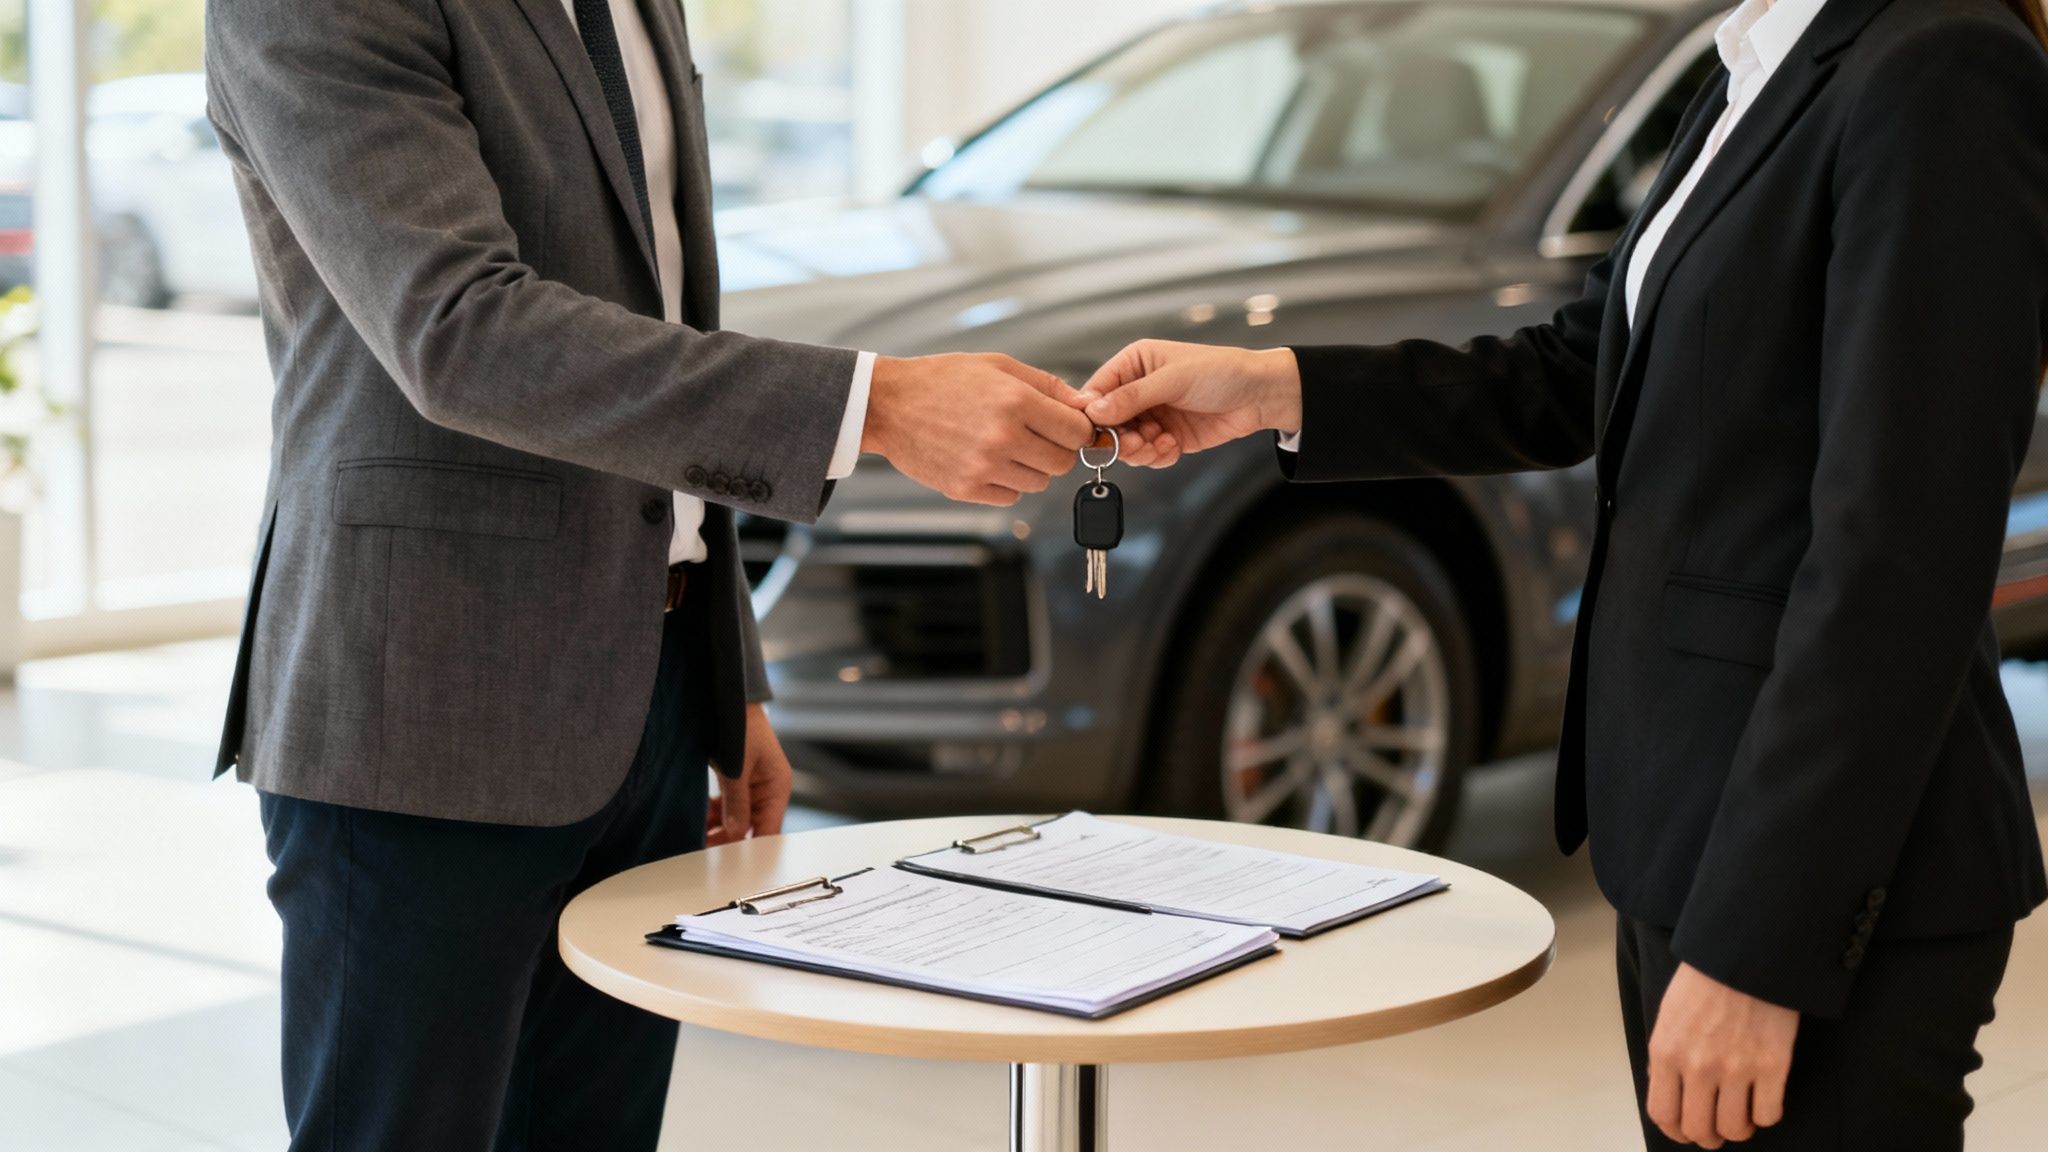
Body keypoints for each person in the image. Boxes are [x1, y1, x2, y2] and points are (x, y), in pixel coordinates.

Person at [1075, 0, 2048, 1146]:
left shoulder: (1941, 64)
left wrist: (1756, 952)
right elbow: (1574, 369)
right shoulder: (1764, 55)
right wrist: (1273, 388)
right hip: (1690, 812)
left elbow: (1897, 562)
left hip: (1820, 872)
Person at [203, 1, 1094, 1149]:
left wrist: (727, 673)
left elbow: (658, 326)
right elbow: (459, 330)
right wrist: (878, 406)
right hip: (422, 708)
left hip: (653, 694)